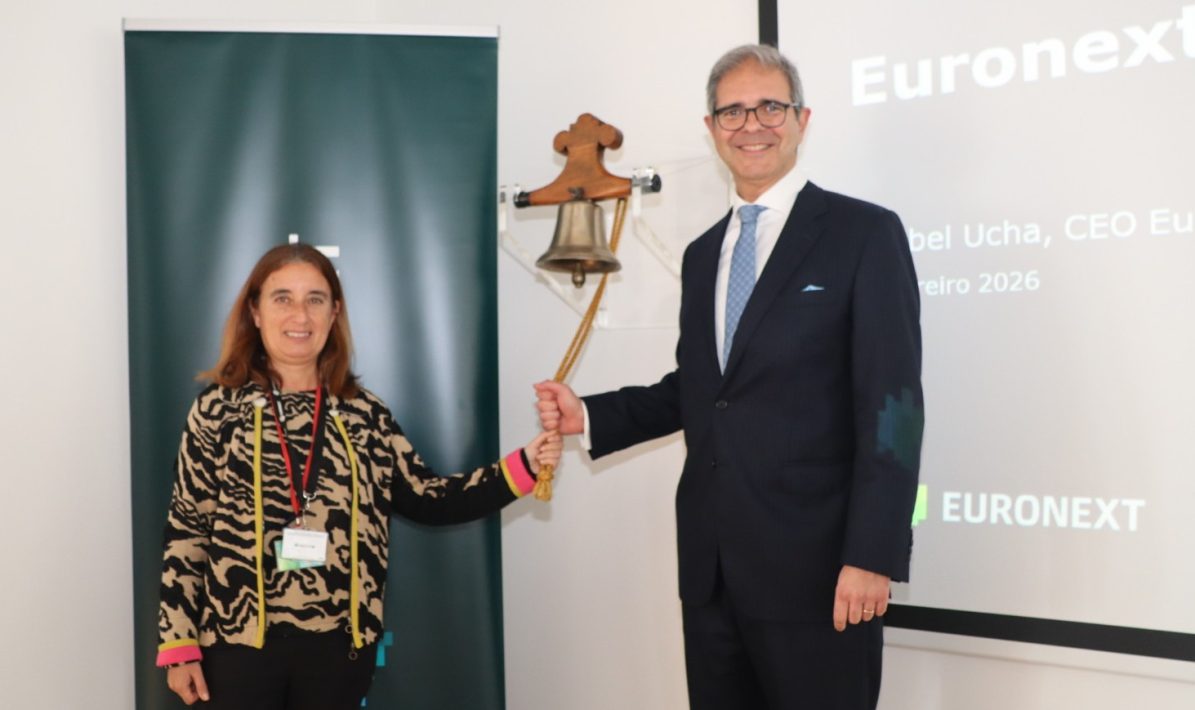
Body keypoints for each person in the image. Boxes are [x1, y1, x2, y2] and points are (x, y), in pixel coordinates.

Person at [535, 44, 923, 709]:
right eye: (733, 111)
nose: (752, 124)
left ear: (801, 119)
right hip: (711, 575)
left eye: (769, 106)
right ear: (711, 128)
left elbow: (893, 408)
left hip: (822, 574)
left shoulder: (863, 233)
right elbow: (703, 390)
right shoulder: (702, 254)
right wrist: (589, 415)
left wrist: (873, 553)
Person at [156, 243, 560, 709]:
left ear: (335, 312)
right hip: (235, 650)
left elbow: (430, 498)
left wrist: (524, 467)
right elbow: (186, 530)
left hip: (339, 653)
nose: (300, 315)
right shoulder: (216, 410)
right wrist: (178, 643)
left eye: (315, 299)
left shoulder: (365, 414)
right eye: (282, 298)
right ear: (255, 311)